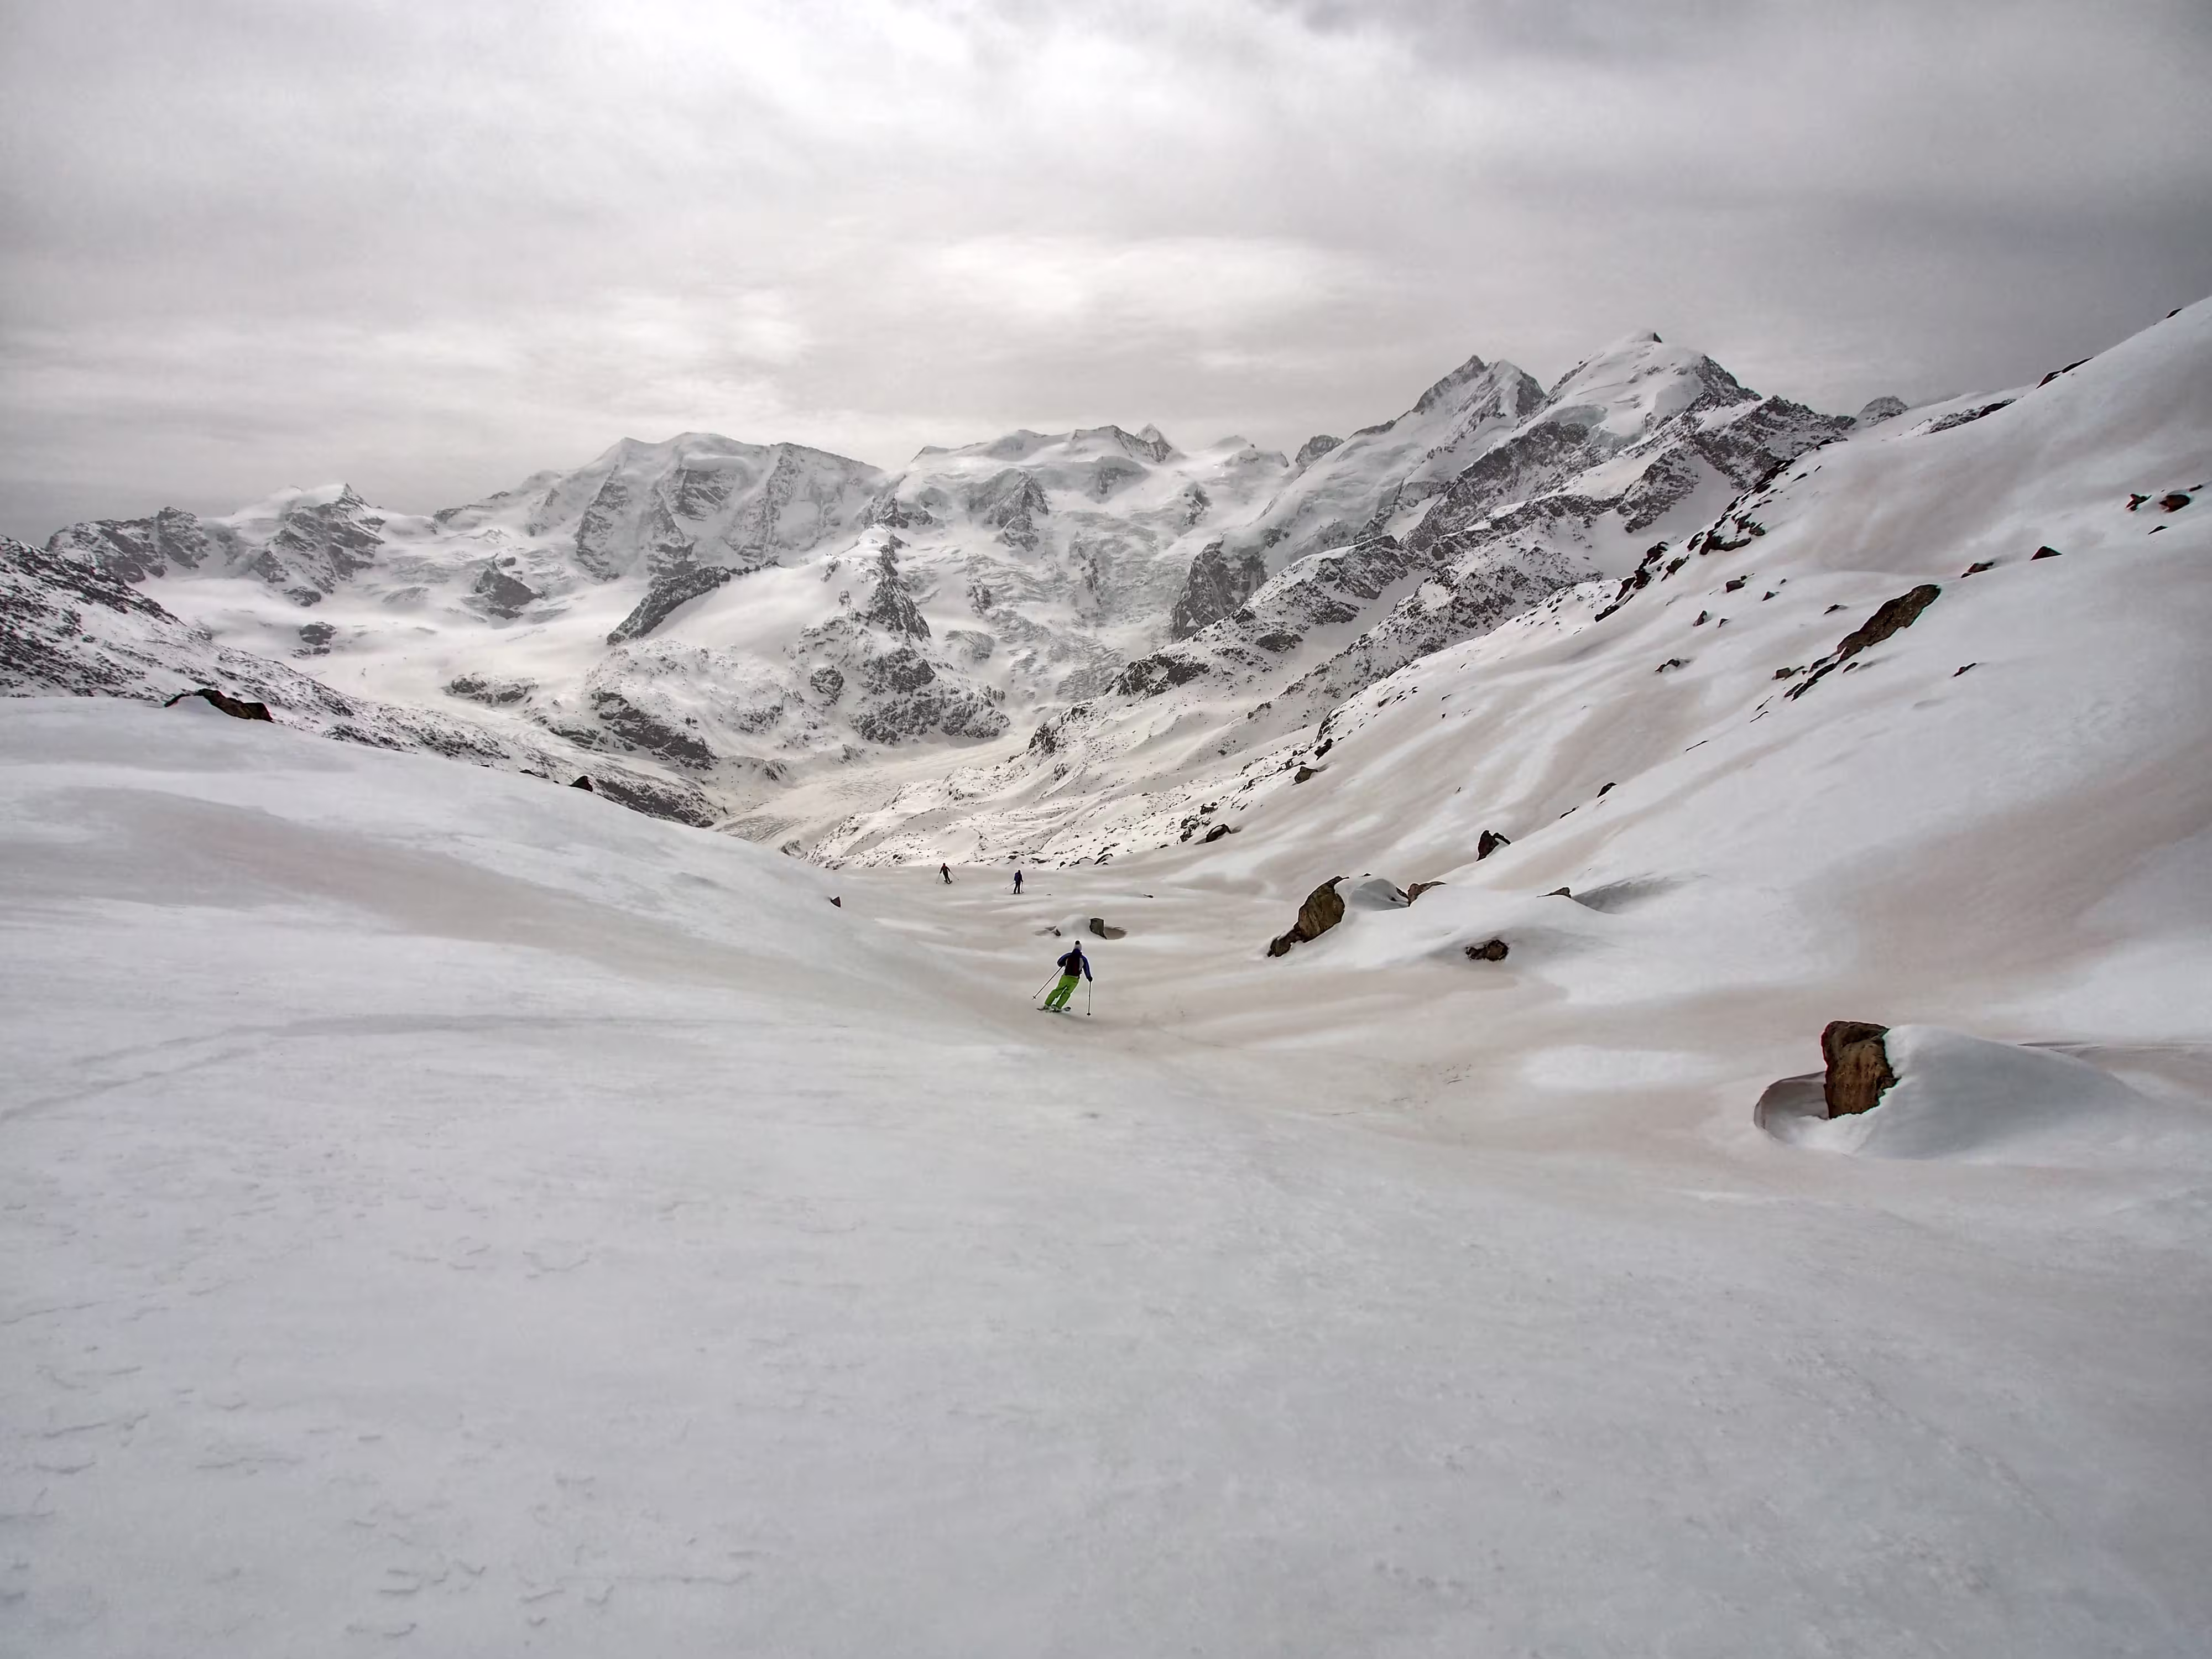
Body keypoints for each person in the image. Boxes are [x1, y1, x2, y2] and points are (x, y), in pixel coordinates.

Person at [1042, 940, 1089, 1011]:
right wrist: (1089, 978)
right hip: (1075, 980)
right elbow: (1087, 969)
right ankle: (1058, 1007)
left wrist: (1064, 964)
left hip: (1065, 977)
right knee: (1067, 993)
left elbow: (1059, 962)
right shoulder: (1083, 959)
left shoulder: (1068, 955)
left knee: (1058, 990)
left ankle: (1047, 1004)